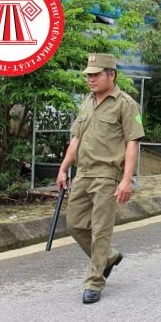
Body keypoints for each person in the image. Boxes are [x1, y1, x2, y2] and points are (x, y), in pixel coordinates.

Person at [56, 53, 145, 304]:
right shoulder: (86, 103)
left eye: (96, 75)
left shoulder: (126, 104)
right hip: (83, 173)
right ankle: (108, 258)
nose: (91, 79)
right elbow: (76, 139)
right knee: (75, 225)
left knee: (101, 230)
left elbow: (132, 143)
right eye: (88, 75)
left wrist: (126, 180)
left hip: (107, 175)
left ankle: (95, 280)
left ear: (111, 75)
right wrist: (64, 168)